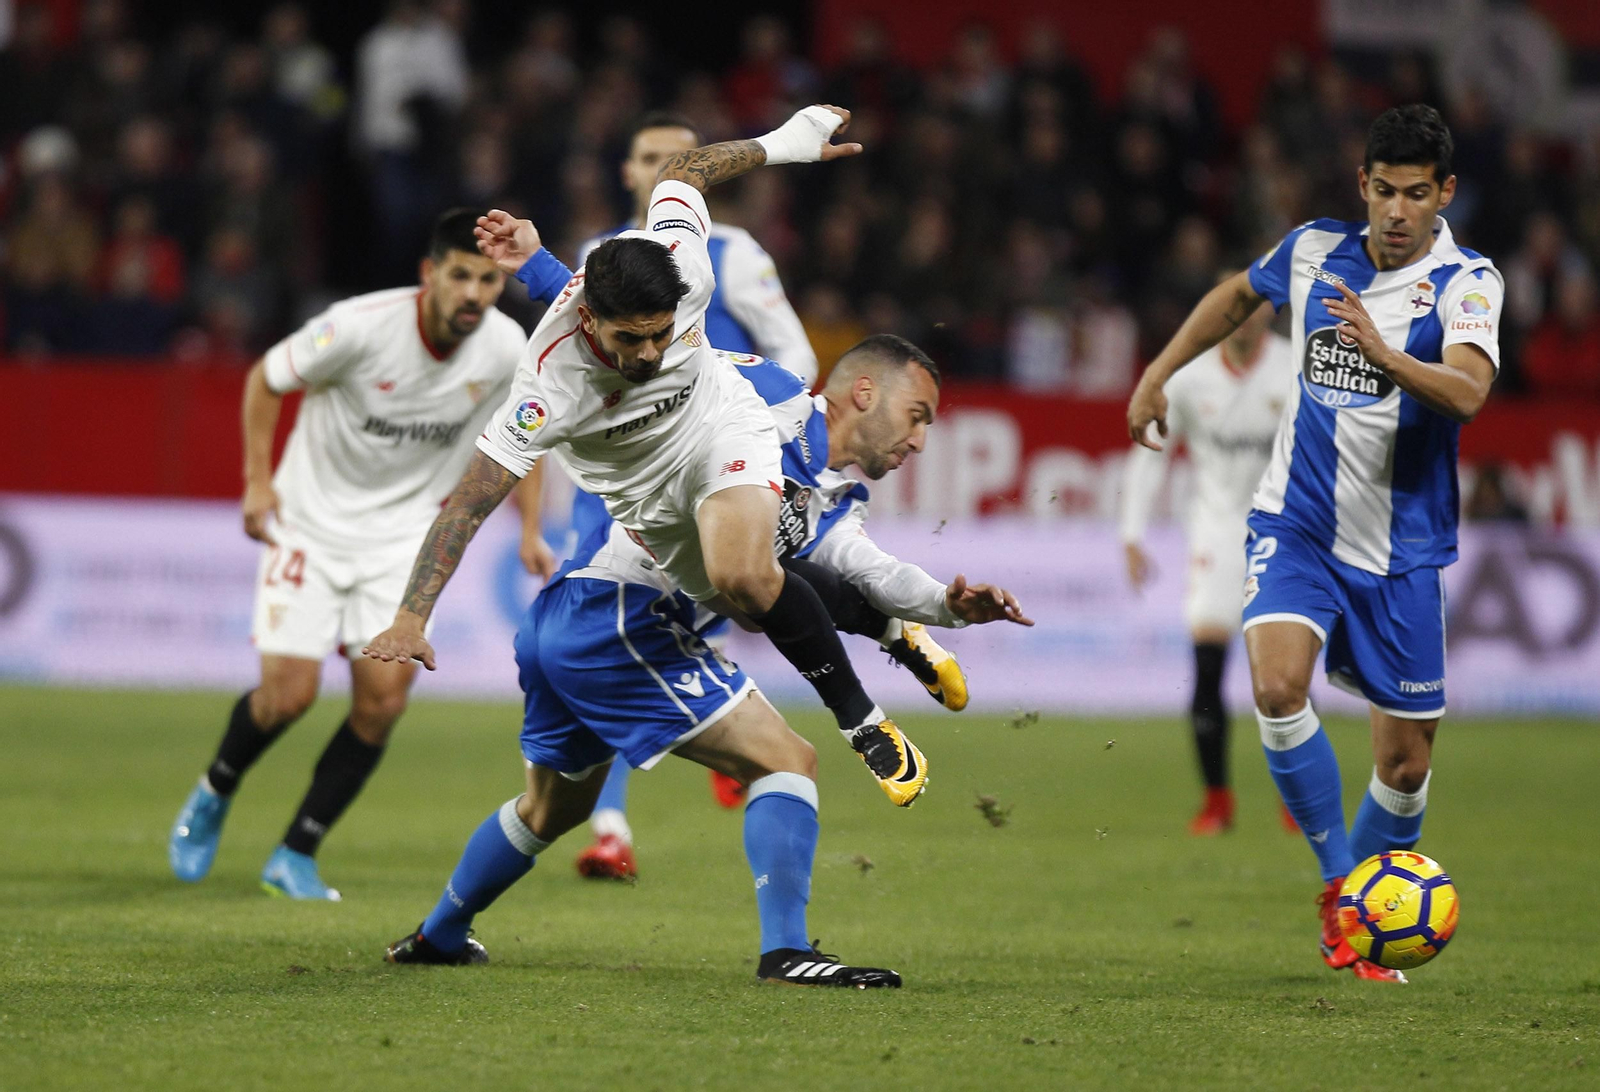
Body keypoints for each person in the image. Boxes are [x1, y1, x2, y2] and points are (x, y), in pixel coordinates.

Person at [382, 341, 1031, 985]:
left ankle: (439, 934)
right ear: (865, 392)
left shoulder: (829, 507)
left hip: (570, 615)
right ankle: (787, 952)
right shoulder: (767, 393)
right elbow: (667, 355)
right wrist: (548, 277)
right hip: (623, 612)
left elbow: (876, 573)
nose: (919, 440)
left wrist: (948, 605)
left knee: (550, 810)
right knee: (785, 760)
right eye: (917, 415)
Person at [363, 107, 933, 817]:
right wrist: (412, 615)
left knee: (748, 574)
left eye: (661, 335)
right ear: (590, 319)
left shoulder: (680, 262)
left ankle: (862, 721)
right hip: (649, 494)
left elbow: (684, 171)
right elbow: (470, 499)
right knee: (749, 594)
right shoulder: (548, 384)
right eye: (630, 340)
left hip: (727, 424)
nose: (648, 355)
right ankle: (886, 625)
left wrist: (787, 143)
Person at [1126, 105, 1501, 984]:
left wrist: (1383, 351)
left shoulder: (1467, 282)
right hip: (1295, 524)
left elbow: (1471, 392)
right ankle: (1345, 895)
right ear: (1361, 185)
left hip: (1404, 549)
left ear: (1444, 193)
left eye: (1417, 193)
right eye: (1383, 191)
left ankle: (1368, 905)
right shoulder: (1309, 250)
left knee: (1405, 766)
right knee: (1275, 682)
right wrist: (1157, 373)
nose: (1397, 211)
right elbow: (1234, 296)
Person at [168, 209, 542, 900]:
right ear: (430, 274)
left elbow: (530, 427)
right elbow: (265, 380)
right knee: (288, 697)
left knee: (383, 701)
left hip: (402, 536)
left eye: (488, 280)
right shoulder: (358, 326)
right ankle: (215, 788)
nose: (474, 294)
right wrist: (256, 482)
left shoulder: (504, 347)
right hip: (309, 523)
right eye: (460, 276)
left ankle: (296, 852)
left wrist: (529, 529)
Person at [568, 110, 822, 870]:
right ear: (627, 170)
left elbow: (795, 351)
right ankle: (611, 827)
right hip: (614, 476)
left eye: (680, 161)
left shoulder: (733, 252)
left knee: (681, 620)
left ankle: (731, 744)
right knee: (616, 632)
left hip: (711, 462)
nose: (662, 172)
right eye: (650, 158)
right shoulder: (598, 258)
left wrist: (765, 427)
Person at [1119, 279, 1296, 835]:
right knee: (1209, 668)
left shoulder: (1293, 369)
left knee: (1284, 683)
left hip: (1284, 536)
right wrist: (1131, 534)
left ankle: (1296, 800)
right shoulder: (1190, 377)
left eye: (1256, 308)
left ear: (1271, 313)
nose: (1246, 319)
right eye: (1236, 308)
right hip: (1216, 539)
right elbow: (1151, 452)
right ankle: (1217, 800)